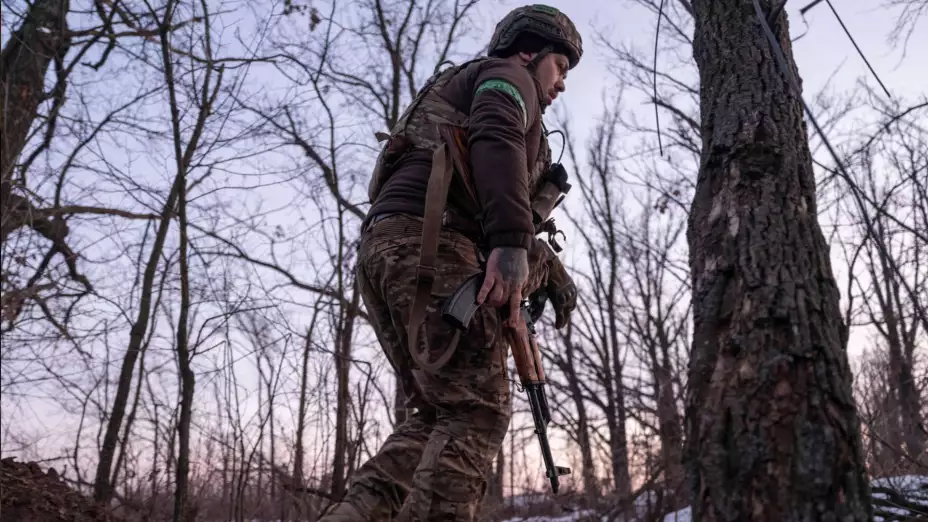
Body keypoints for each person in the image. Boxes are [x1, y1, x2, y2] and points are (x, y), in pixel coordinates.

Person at [319, 5, 582, 521]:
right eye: (561, 67)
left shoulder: (464, 91)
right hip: (429, 246)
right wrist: (511, 243)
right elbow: (497, 134)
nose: (562, 84)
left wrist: (545, 265)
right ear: (530, 51)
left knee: (437, 412)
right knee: (475, 410)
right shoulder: (508, 76)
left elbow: (482, 181)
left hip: (387, 250)